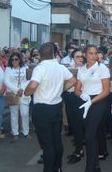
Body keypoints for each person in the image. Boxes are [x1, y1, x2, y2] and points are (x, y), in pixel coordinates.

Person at [25, 42, 77, 172]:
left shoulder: (40, 68)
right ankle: (57, 167)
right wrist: (60, 90)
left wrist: (26, 92)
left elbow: (32, 86)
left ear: (40, 54)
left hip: (42, 108)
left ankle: (49, 169)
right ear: (54, 54)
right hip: (56, 107)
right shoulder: (59, 67)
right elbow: (73, 81)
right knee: (56, 140)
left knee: (47, 144)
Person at [75, 45, 111, 172]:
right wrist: (83, 95)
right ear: (85, 54)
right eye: (91, 53)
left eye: (95, 53)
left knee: (89, 135)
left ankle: (89, 167)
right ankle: (95, 166)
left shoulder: (102, 69)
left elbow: (106, 91)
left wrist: (92, 101)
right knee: (92, 134)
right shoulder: (81, 69)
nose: (94, 56)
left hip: (99, 101)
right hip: (85, 102)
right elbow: (76, 90)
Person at [4, 53, 31, 139]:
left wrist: (21, 89)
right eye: (12, 59)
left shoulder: (25, 68)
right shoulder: (8, 69)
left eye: (16, 59)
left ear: (20, 60)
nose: (14, 61)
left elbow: (29, 80)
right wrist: (16, 90)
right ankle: (15, 132)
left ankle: (26, 132)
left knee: (25, 113)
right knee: (14, 113)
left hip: (23, 93)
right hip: (13, 94)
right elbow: (6, 81)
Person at [67, 48, 86, 165]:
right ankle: (79, 149)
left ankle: (79, 151)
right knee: (73, 125)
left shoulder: (85, 69)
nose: (79, 58)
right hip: (69, 97)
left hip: (80, 98)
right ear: (73, 58)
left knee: (79, 125)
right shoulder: (68, 69)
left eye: (80, 56)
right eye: (76, 56)